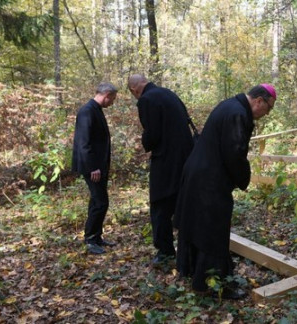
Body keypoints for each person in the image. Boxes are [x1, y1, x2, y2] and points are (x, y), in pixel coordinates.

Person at [174, 84, 276, 299]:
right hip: (209, 180)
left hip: (199, 173)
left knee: (198, 224)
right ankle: (211, 285)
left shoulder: (230, 105)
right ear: (259, 100)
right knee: (212, 230)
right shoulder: (238, 114)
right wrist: (243, 178)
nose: (266, 114)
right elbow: (234, 154)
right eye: (268, 108)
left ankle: (194, 272)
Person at [127, 74, 194, 266]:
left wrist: (144, 142)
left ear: (134, 90)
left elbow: (153, 134)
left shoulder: (147, 100)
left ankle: (165, 252)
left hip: (166, 162)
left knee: (160, 206)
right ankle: (186, 250)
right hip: (186, 158)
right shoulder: (168, 93)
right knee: (182, 204)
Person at [72, 82, 118, 255]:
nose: (112, 102)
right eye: (112, 99)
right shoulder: (87, 111)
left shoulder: (95, 110)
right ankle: (91, 239)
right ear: (106, 94)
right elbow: (83, 143)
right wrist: (93, 168)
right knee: (101, 202)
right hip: (92, 167)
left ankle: (96, 237)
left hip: (98, 166)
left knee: (97, 200)